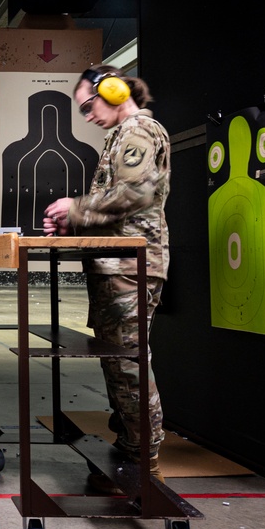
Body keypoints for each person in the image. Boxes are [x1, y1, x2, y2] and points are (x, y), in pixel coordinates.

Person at [43, 65, 171, 491]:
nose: (87, 115)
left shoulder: (138, 130)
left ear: (113, 91)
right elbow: (117, 207)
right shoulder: (122, 135)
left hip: (130, 270)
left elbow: (137, 193)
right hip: (116, 266)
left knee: (129, 364)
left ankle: (145, 462)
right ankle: (132, 452)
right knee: (118, 362)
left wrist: (75, 208)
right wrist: (74, 223)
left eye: (88, 105)